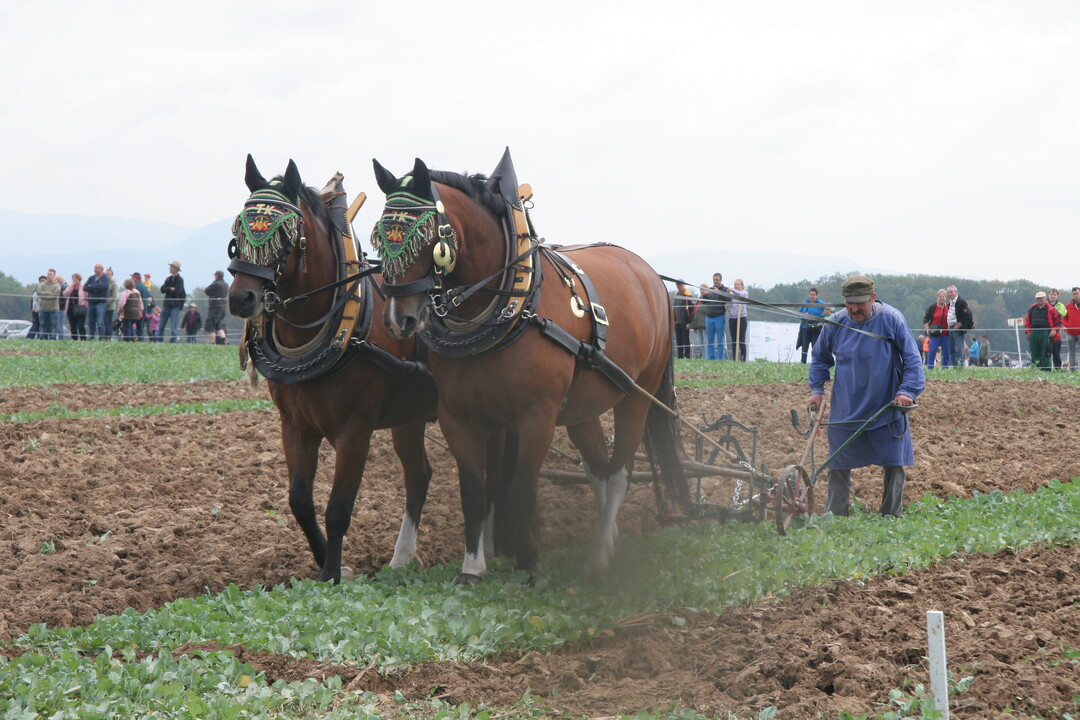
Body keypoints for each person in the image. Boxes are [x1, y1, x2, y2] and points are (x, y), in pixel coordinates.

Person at [808, 275, 925, 518]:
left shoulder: (891, 319)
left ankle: (891, 514)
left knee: (894, 461)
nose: (854, 309)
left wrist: (907, 392)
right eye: (849, 303)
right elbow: (819, 358)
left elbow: (913, 359)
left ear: (872, 297)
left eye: (860, 303)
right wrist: (817, 391)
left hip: (886, 405)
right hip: (847, 405)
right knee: (838, 462)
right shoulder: (835, 323)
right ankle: (836, 514)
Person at [1024, 291, 1062, 371]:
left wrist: (1054, 330)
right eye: (1038, 299)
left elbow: (1059, 321)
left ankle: (1046, 370)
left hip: (1046, 334)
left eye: (1041, 298)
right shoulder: (1032, 309)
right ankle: (1035, 368)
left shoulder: (1051, 309)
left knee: (1045, 353)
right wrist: (1028, 333)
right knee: (1034, 352)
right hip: (1033, 333)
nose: (1039, 300)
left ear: (1045, 298)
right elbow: (1027, 321)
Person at [796, 287, 829, 364]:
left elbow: (830, 313)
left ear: (816, 295)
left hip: (816, 329)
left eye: (813, 295)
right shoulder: (805, 303)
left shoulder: (821, 304)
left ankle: (815, 363)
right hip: (805, 328)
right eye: (810, 294)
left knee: (815, 347)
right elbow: (798, 314)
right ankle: (803, 363)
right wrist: (803, 316)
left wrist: (822, 323)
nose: (811, 296)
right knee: (804, 347)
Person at [699, 273, 728, 360]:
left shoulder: (725, 289)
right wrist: (704, 294)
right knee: (709, 340)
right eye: (714, 280)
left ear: (721, 280)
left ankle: (720, 359)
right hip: (709, 317)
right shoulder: (710, 289)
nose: (715, 281)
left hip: (719, 316)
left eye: (717, 280)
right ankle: (710, 358)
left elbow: (727, 299)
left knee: (720, 340)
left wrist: (718, 292)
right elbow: (703, 302)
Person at [922, 289, 951, 368]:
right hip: (934, 334)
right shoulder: (932, 308)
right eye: (940, 296)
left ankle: (945, 370)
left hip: (946, 334)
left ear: (946, 298)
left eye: (944, 297)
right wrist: (927, 330)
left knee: (946, 353)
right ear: (937, 297)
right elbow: (926, 319)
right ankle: (930, 369)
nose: (942, 298)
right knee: (932, 353)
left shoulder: (949, 307)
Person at [946, 285, 973, 368]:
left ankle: (960, 367)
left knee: (959, 349)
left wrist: (958, 326)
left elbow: (967, 315)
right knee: (951, 350)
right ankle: (955, 367)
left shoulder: (961, 302)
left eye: (951, 292)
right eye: (948, 292)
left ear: (956, 292)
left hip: (957, 328)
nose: (950, 294)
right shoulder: (949, 303)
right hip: (950, 328)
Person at [159, 260, 186, 343]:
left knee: (174, 326)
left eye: (171, 267)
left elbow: (177, 292)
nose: (169, 269)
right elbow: (162, 289)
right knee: (161, 325)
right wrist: (170, 289)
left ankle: (173, 342)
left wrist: (169, 289)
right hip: (166, 304)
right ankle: (159, 341)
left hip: (175, 306)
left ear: (175, 269)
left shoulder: (180, 280)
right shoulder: (168, 279)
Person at [83, 263, 110, 340]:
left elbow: (103, 286)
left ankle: (101, 338)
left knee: (100, 322)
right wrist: (96, 288)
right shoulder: (91, 278)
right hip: (91, 303)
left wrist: (91, 287)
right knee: (91, 322)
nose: (95, 269)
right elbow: (85, 287)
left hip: (100, 303)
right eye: (94, 268)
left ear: (101, 269)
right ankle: (91, 336)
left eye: (96, 268)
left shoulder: (105, 278)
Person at [204, 270, 230, 345]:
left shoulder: (216, 284)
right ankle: (224, 339)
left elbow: (206, 290)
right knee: (219, 325)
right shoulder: (226, 284)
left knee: (211, 325)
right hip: (222, 308)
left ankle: (213, 343)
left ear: (217, 276)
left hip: (214, 307)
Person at [671, 281, 695, 359]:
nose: (679, 286)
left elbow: (692, 310)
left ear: (684, 285)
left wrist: (689, 322)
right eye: (678, 285)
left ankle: (687, 355)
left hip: (685, 321)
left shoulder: (688, 296)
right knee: (679, 339)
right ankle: (680, 355)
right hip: (677, 321)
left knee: (686, 339)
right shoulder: (677, 295)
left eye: (681, 285)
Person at [727, 278, 749, 362]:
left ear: (742, 285)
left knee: (741, 340)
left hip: (742, 317)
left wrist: (732, 290)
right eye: (734, 284)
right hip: (732, 318)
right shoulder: (733, 295)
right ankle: (734, 359)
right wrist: (729, 308)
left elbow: (740, 294)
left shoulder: (744, 293)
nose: (736, 286)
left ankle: (743, 360)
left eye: (737, 284)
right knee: (734, 340)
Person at [37, 270, 62, 340]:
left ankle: (53, 339)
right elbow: (39, 292)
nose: (49, 276)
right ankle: (42, 338)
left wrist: (44, 295)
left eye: (50, 274)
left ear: (54, 276)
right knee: (42, 325)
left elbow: (55, 296)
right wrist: (48, 293)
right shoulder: (42, 285)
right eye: (48, 274)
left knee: (53, 325)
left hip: (54, 309)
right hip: (43, 309)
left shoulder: (57, 286)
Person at [63, 273, 88, 340]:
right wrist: (71, 287)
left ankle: (83, 339)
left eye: (75, 278)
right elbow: (65, 294)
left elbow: (87, 297)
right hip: (70, 308)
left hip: (80, 309)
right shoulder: (70, 287)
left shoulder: (83, 287)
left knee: (80, 325)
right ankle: (74, 339)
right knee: (73, 326)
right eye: (73, 279)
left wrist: (85, 305)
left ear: (79, 279)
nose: (74, 280)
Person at [1061, 287, 1080, 371]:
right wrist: (1067, 325)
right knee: (1071, 353)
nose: (1076, 295)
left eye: (1077, 293)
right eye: (1074, 294)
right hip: (1070, 333)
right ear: (1072, 294)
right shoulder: (1068, 306)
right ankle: (1072, 370)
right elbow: (1064, 318)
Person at [1048, 288, 1067, 370]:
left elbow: (1063, 312)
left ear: (1057, 296)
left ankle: (1058, 369)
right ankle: (1046, 369)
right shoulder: (1045, 304)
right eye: (1051, 294)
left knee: (1056, 353)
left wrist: (1052, 311)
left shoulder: (1060, 305)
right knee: (1046, 352)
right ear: (1048, 295)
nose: (1052, 296)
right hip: (1046, 331)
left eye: (1054, 294)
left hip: (1057, 332)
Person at [131, 272, 153, 340]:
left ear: (135, 278)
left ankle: (131, 339)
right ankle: (141, 340)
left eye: (132, 277)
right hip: (144, 309)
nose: (131, 279)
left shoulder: (135, 287)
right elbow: (149, 297)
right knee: (140, 327)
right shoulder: (144, 287)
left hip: (136, 309)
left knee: (131, 325)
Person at [689, 293, 707, 359]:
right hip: (698, 324)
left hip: (705, 325)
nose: (702, 291)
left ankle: (706, 355)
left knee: (706, 340)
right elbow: (695, 314)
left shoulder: (707, 301)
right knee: (701, 341)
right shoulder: (698, 301)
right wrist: (694, 326)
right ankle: (703, 355)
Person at [28, 275, 46, 339]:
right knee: (35, 324)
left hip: (42, 310)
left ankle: (37, 337)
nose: (42, 282)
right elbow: (32, 300)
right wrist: (31, 308)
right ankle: (30, 337)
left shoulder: (45, 290)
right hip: (35, 311)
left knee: (40, 325)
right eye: (41, 281)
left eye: (43, 281)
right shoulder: (36, 290)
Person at [104, 268, 119, 340]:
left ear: (112, 275)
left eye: (109, 274)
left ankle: (108, 337)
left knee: (108, 322)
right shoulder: (104, 283)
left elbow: (114, 296)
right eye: (106, 274)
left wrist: (106, 302)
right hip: (103, 306)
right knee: (103, 322)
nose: (107, 276)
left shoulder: (114, 284)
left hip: (110, 307)